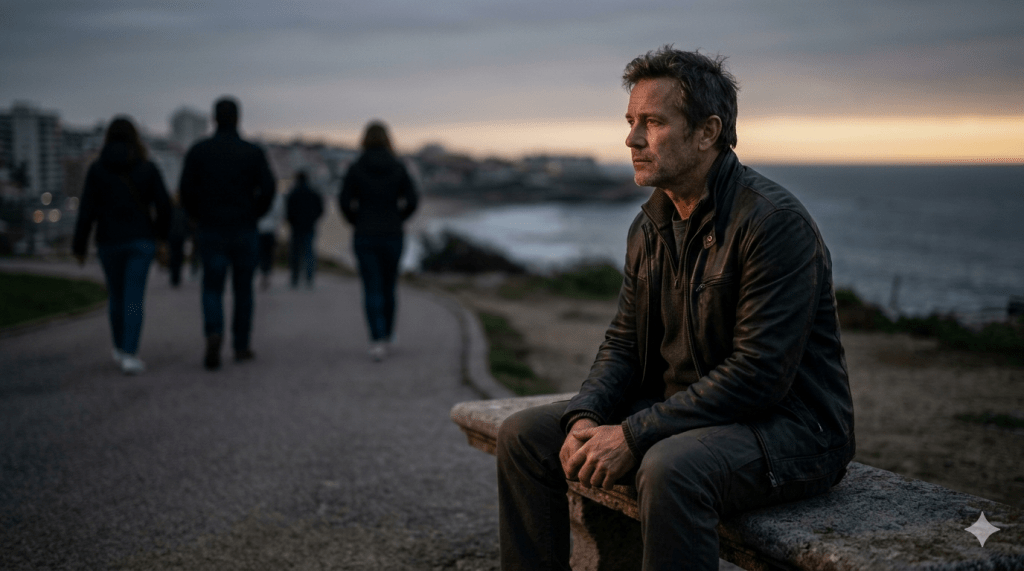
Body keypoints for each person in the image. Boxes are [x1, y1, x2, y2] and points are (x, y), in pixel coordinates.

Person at [496, 46, 856, 571]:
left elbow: (759, 376)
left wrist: (634, 434)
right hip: (686, 415)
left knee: (668, 467)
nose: (632, 139)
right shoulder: (649, 225)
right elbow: (622, 342)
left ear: (708, 132)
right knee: (525, 435)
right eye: (630, 122)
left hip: (789, 430)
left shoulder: (773, 224)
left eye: (653, 122)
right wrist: (586, 416)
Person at [179, 96, 276, 370]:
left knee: (212, 286)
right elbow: (268, 188)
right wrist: (255, 212)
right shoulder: (253, 152)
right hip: (244, 228)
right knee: (243, 289)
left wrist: (198, 215)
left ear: (213, 119)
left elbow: (185, 191)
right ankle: (241, 344)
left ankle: (213, 332)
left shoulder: (199, 151)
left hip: (211, 228)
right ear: (238, 118)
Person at [72, 116, 172, 375]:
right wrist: (162, 236)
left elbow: (87, 211)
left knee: (116, 296)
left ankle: (119, 347)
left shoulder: (97, 169)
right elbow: (164, 205)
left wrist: (79, 245)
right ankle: (130, 353)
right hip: (141, 240)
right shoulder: (147, 168)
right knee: (134, 297)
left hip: (108, 241)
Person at [339, 121, 418, 361]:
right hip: (393, 234)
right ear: (388, 139)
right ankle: (389, 334)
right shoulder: (398, 167)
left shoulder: (355, 167)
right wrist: (398, 217)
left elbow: (344, 202)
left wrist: (357, 220)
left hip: (365, 233)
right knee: (389, 286)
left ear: (364, 139)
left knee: (371, 287)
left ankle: (376, 340)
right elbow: (413, 200)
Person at [285, 171, 324, 289]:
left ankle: (295, 277)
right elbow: (320, 209)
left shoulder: (293, 193)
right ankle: (309, 278)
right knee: (309, 253)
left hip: (296, 228)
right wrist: (313, 219)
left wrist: (292, 222)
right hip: (309, 227)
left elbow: (288, 211)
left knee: (295, 254)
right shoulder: (314, 193)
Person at [257, 188, 285, 290]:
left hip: (258, 228)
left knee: (259, 253)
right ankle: (266, 274)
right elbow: (279, 213)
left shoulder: (256, 193)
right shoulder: (276, 196)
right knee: (268, 254)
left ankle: (262, 273)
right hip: (270, 229)